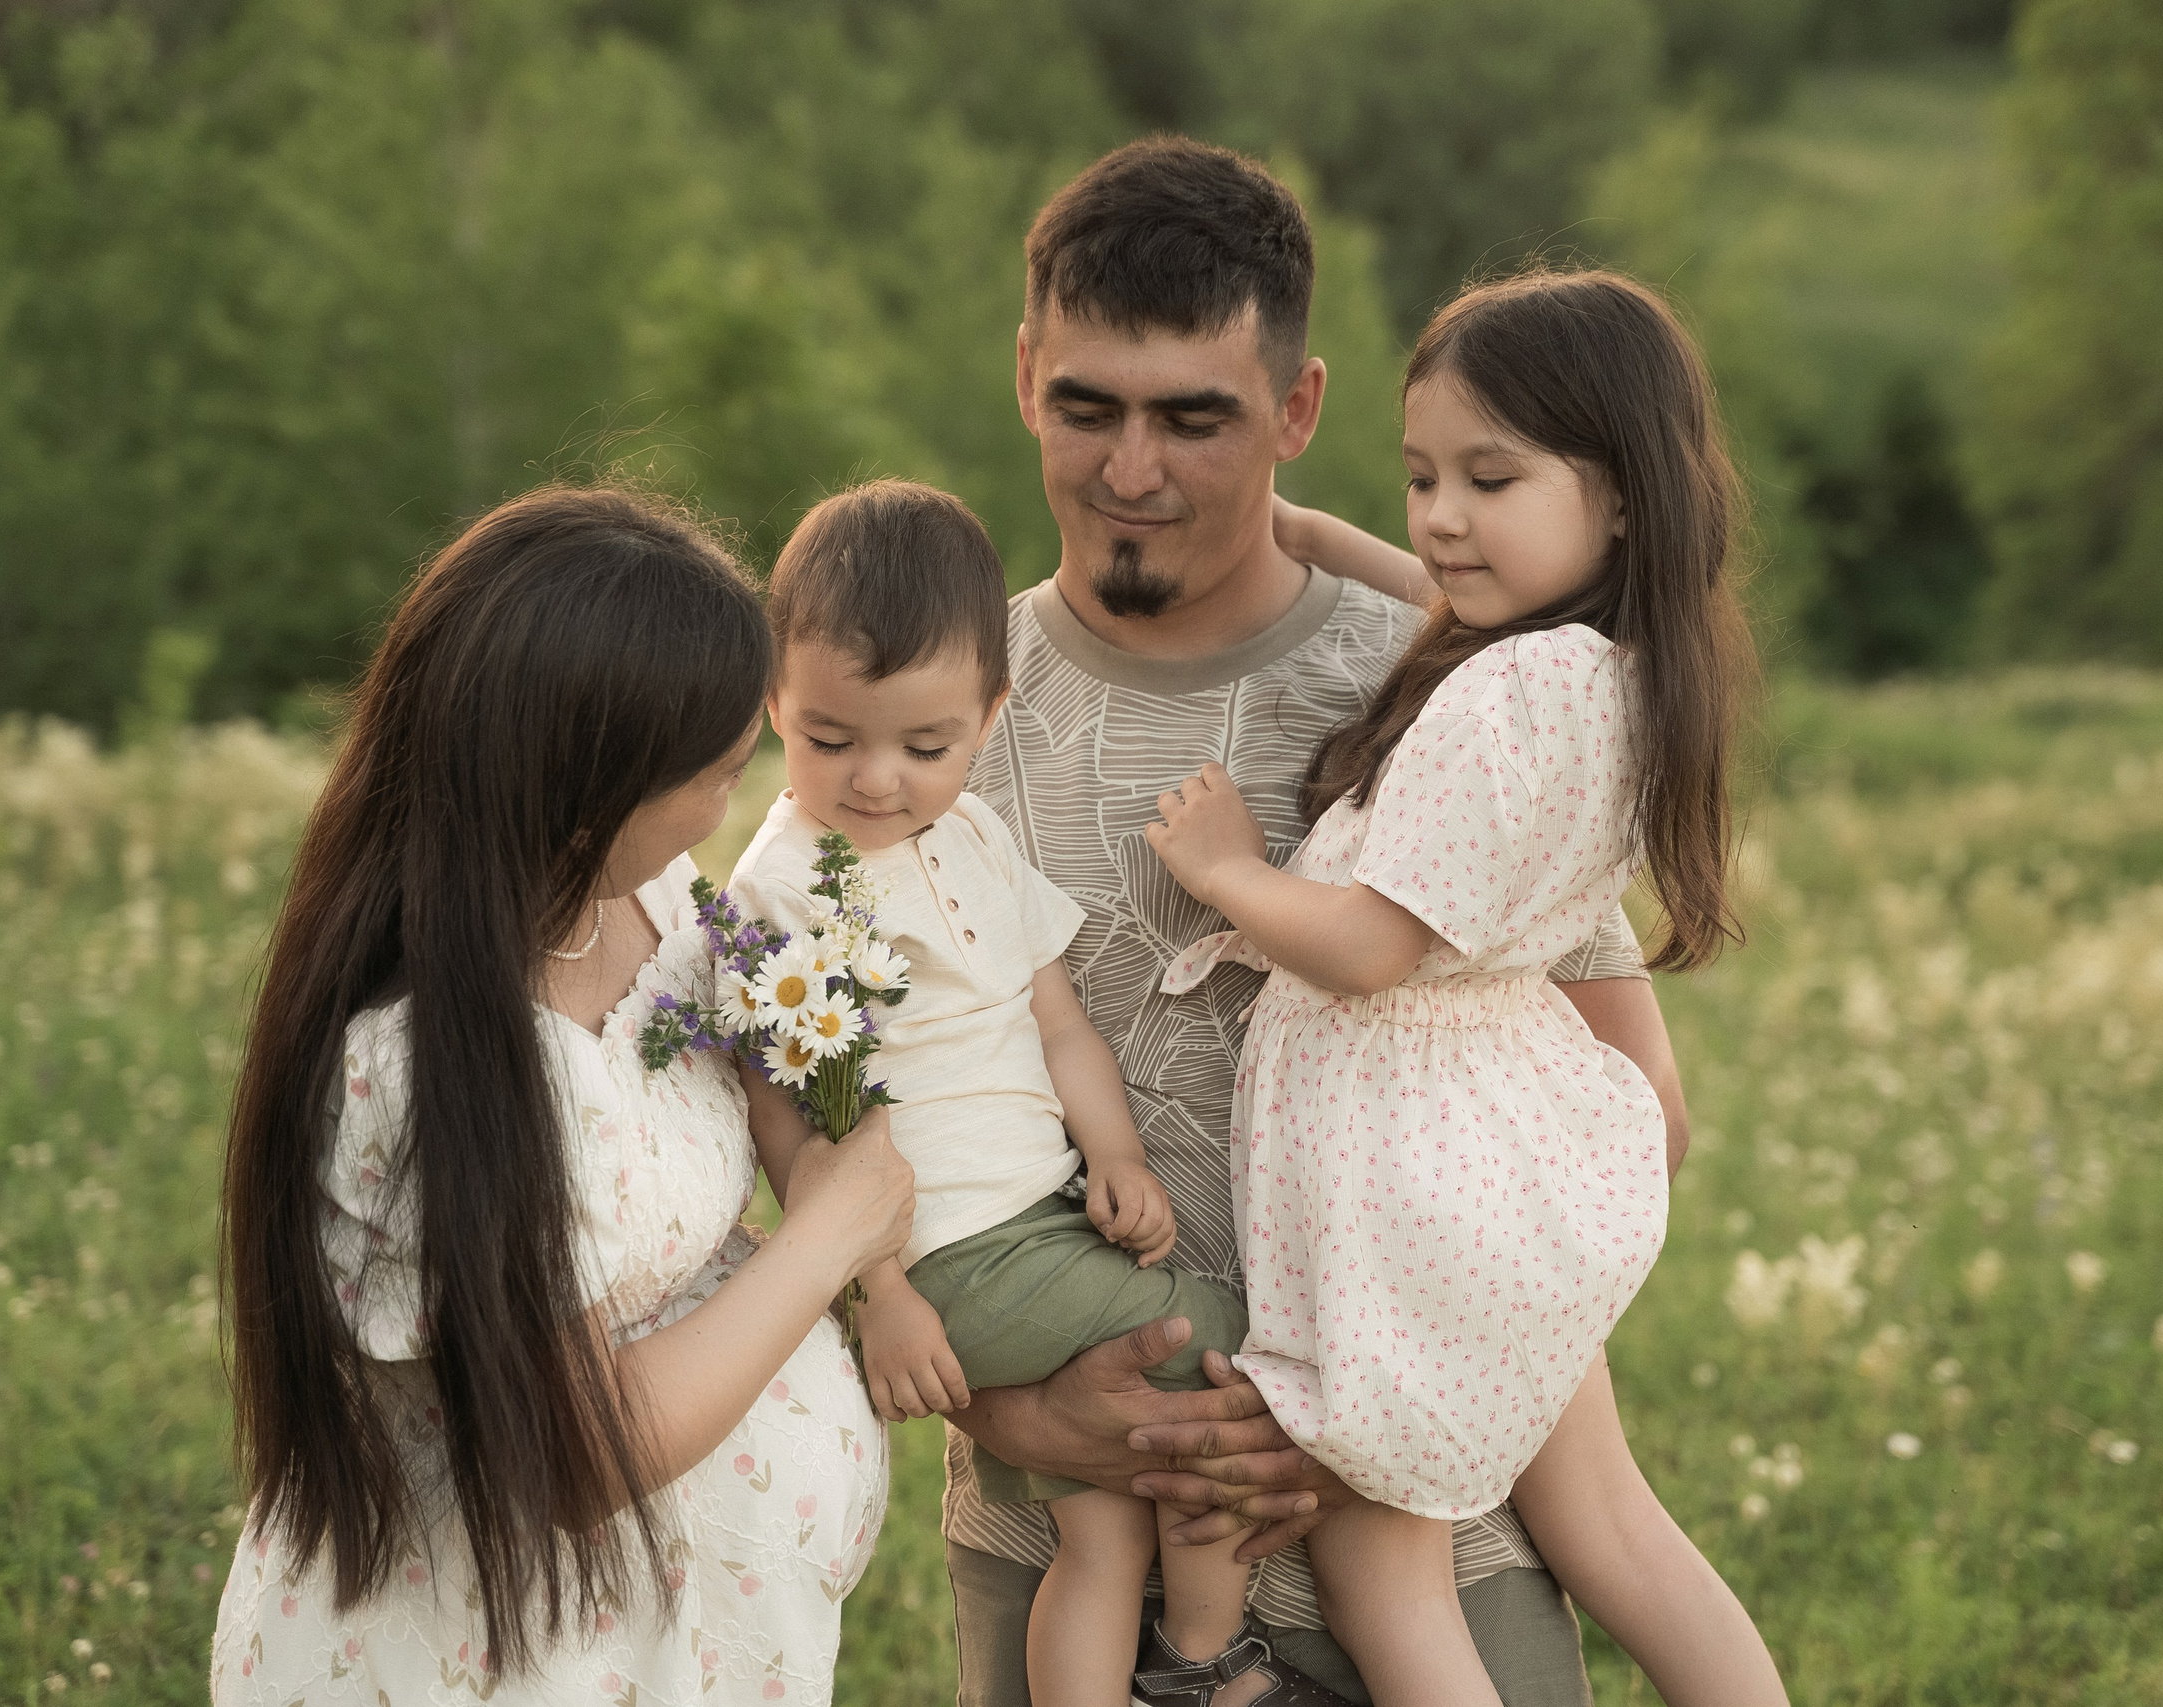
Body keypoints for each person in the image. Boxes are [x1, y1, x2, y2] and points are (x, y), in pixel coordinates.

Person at [943, 137, 1697, 1706]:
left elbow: (1639, 1107)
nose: (1131, 469)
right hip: (1066, 1552)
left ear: (1296, 410)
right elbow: (815, 1128)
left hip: (1433, 1546)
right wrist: (1018, 1410)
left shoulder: (1453, 683)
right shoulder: (922, 728)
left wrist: (1379, 1420)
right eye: (1087, 406)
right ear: (1020, 377)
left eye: (1193, 417)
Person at [1147, 268, 1787, 1705]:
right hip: (1506, 1159)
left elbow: (1372, 947)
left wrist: (1228, 869)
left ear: (1620, 496)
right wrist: (1304, 532)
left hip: (1410, 1188)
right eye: (1421, 475)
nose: (1441, 518)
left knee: (1387, 1577)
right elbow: (1456, 600)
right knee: (1613, 1526)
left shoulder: (1506, 691)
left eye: (1488, 480)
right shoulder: (1617, 669)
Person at [213, 485, 914, 1705]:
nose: (736, 799)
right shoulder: (429, 1067)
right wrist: (829, 1235)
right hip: (498, 1661)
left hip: (683, 1644)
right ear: (586, 795)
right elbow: (575, 1457)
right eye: (716, 774)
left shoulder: (645, 893)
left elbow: (746, 1088)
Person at [729, 479, 1346, 1705]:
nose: (876, 781)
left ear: (991, 714)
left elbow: (1056, 1020)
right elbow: (787, 1122)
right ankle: (1209, 1666)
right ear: (774, 704)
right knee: (1230, 1355)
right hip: (944, 1255)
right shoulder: (780, 887)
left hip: (1040, 1227)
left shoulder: (975, 835)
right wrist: (880, 1295)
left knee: (1101, 1535)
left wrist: (1113, 1157)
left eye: (925, 746)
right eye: (829, 739)